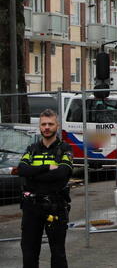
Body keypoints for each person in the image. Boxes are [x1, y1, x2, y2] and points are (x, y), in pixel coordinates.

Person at [18, 109, 73, 268]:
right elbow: (22, 170)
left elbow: (62, 174)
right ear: (39, 127)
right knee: (29, 251)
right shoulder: (32, 149)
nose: (47, 127)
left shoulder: (65, 149)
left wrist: (33, 175)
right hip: (31, 207)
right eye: (43, 124)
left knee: (58, 253)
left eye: (50, 124)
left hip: (55, 207)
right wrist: (47, 167)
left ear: (57, 125)